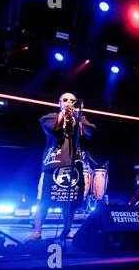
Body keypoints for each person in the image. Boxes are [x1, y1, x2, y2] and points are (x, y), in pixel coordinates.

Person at [29, 93, 96, 241]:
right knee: (44, 199)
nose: (69, 103)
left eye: (72, 101)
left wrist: (76, 117)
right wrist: (63, 114)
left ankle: (66, 231)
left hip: (74, 165)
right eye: (65, 100)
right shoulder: (52, 116)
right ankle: (37, 232)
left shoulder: (80, 119)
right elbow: (51, 128)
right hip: (53, 164)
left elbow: (90, 132)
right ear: (59, 102)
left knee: (70, 201)